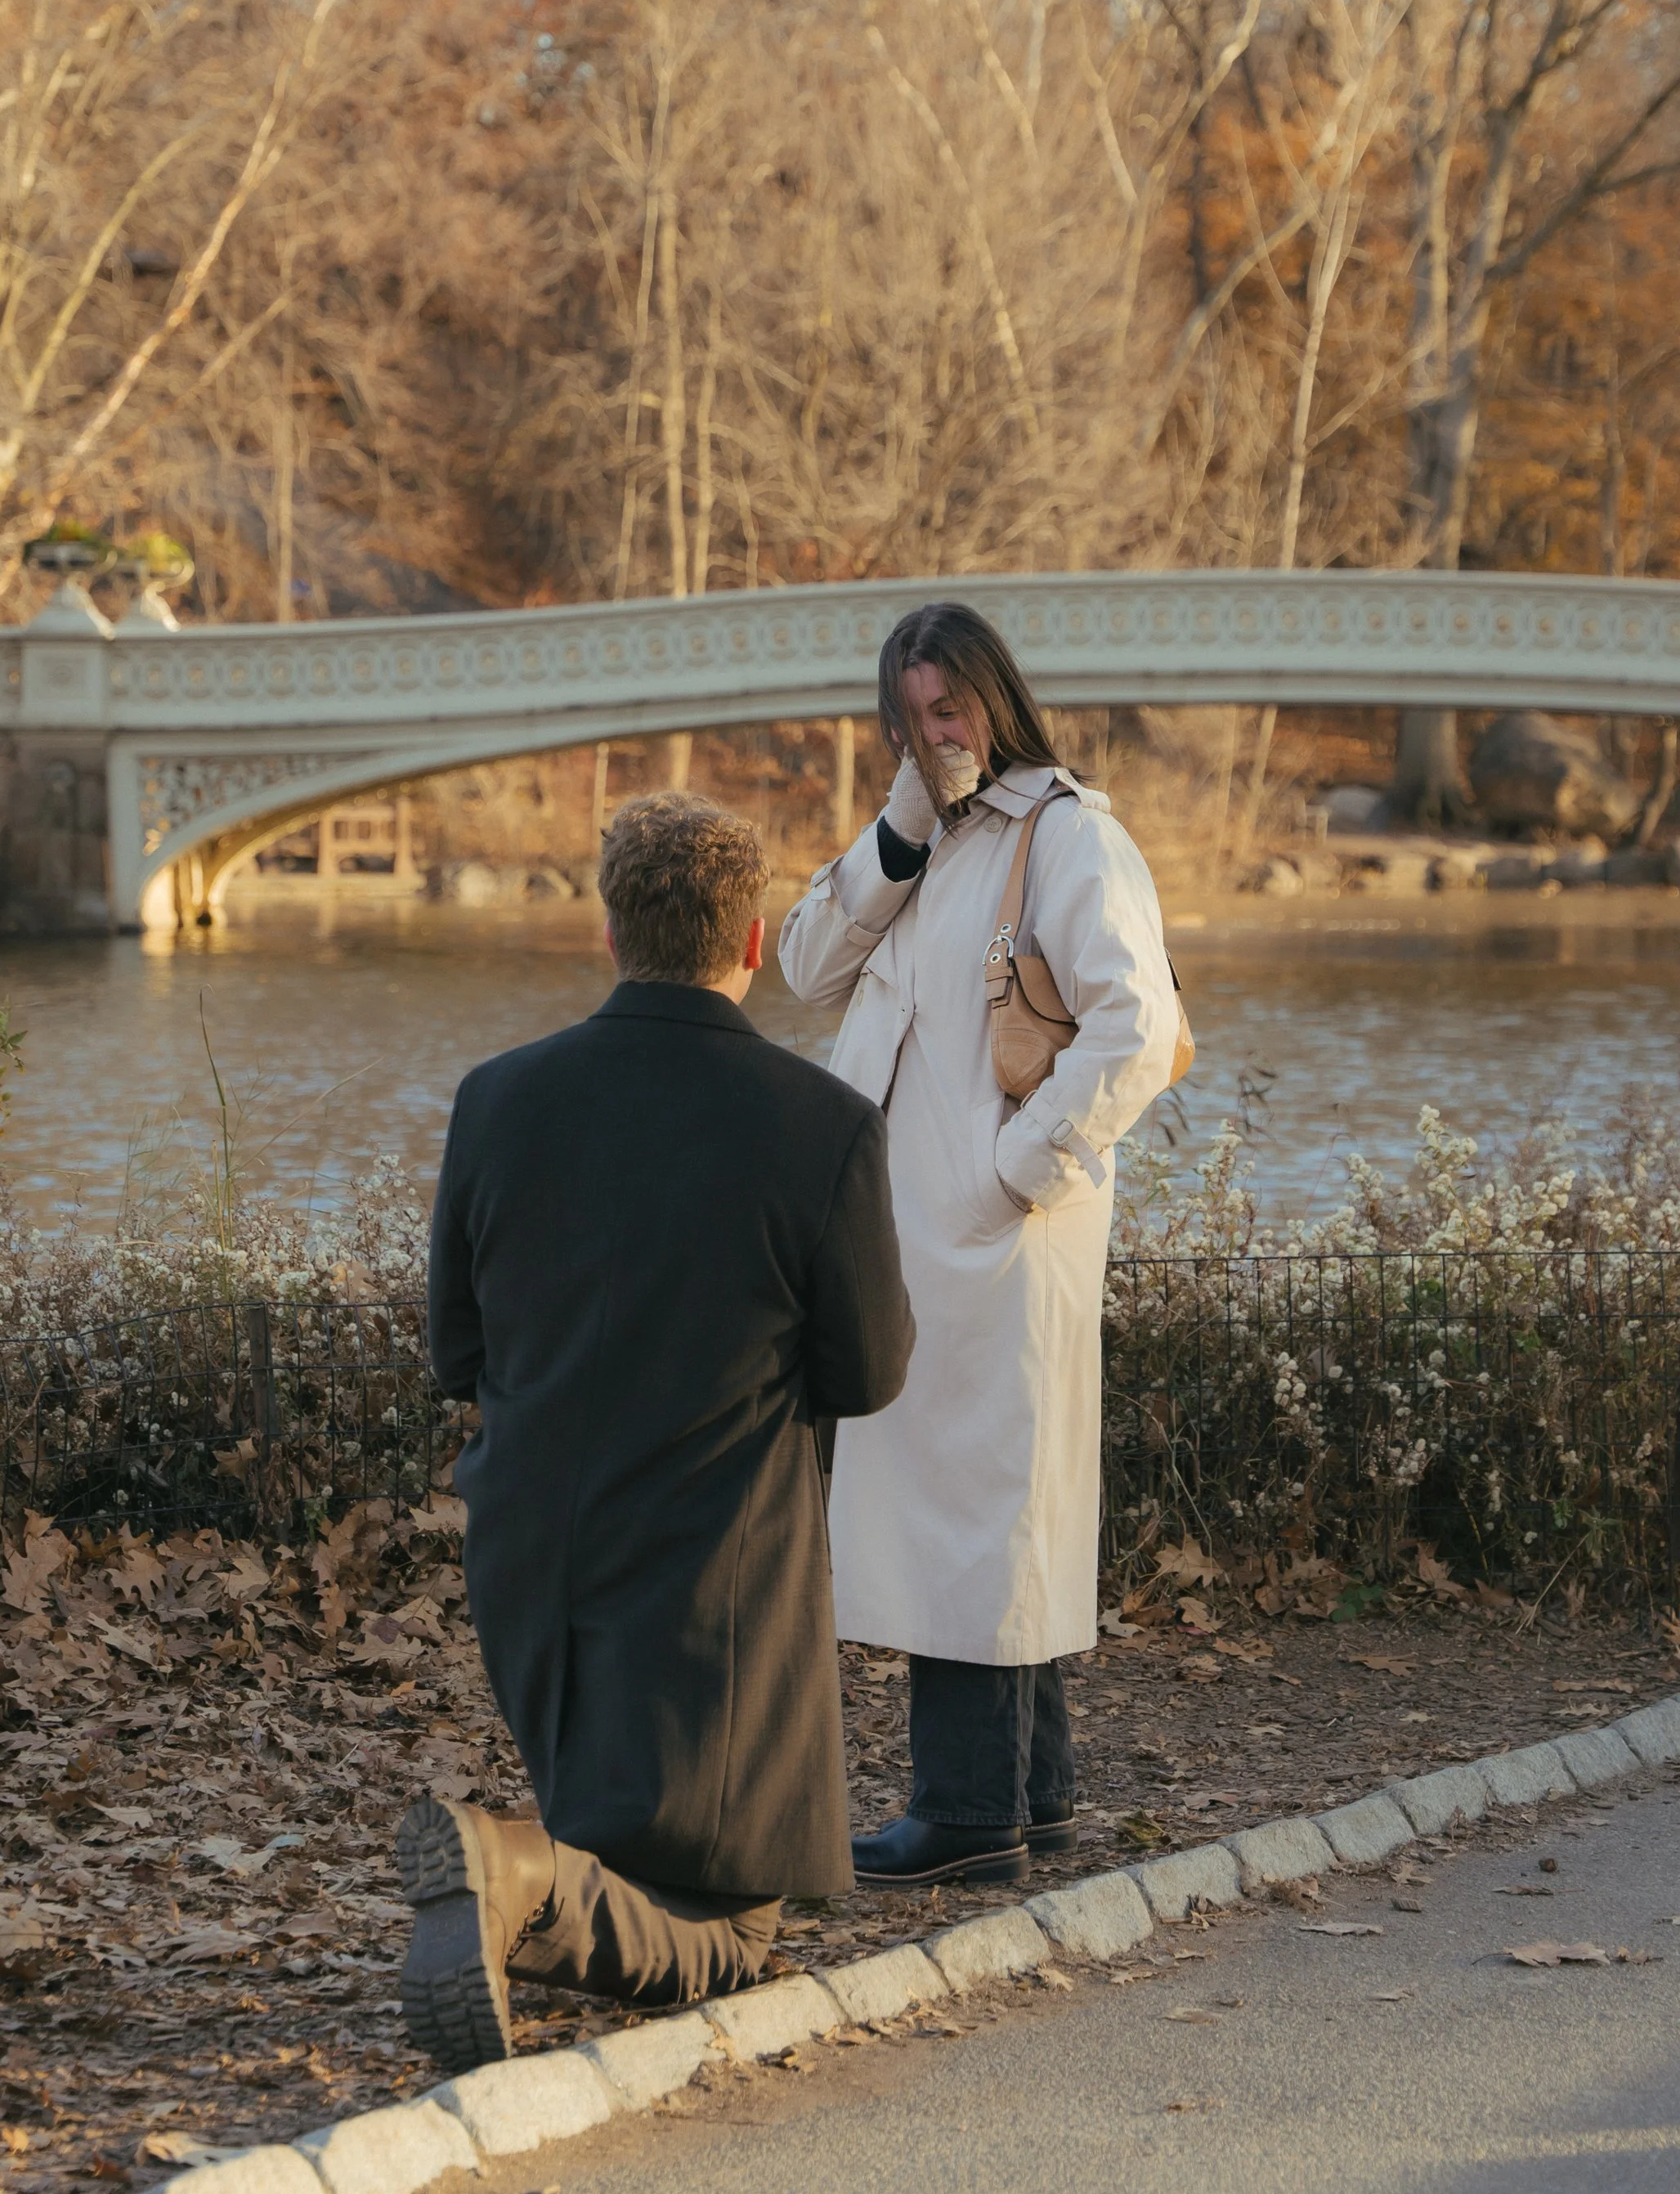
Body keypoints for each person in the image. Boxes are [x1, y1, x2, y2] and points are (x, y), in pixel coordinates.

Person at [401, 790, 914, 2071]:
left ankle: (527, 1882)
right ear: (751, 942)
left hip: (534, 1569)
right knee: (734, 1940)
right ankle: (516, 1876)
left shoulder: (497, 1099)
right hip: (715, 1583)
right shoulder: (826, 1127)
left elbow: (454, 1353)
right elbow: (869, 1371)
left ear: (612, 932)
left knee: (649, 1875)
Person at [777, 602, 1179, 1889]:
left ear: (997, 699)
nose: (933, 736)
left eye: (948, 710)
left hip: (995, 1243)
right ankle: (1033, 1797)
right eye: (908, 717)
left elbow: (1137, 1028)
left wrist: (1013, 1177)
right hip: (916, 1244)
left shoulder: (1071, 838)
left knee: (977, 1511)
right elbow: (801, 969)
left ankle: (963, 1815)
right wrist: (901, 817)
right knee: (983, 1509)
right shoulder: (927, 847)